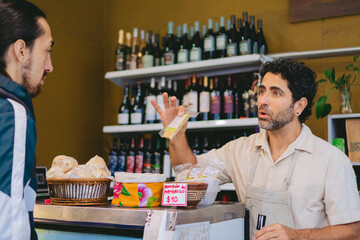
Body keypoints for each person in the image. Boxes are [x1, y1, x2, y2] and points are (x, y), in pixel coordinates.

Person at [151, 59, 360, 240]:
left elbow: (353, 231)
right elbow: (187, 174)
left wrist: (299, 236)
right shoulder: (239, 150)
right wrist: (175, 134)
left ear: (299, 106)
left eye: (276, 93)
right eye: (262, 91)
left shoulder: (330, 160)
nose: (263, 100)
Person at [0, 0, 54, 239]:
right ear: (21, 51)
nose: (50, 66)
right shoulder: (13, 114)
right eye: (47, 50)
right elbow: (9, 222)